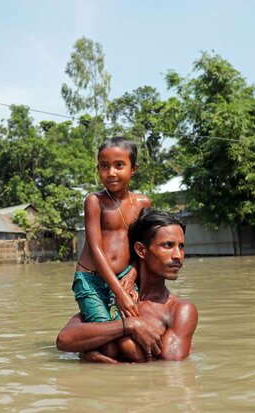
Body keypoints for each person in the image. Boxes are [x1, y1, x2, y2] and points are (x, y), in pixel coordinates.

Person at [58, 209, 198, 363]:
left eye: (181, 246)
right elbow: (65, 340)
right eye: (168, 245)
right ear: (141, 250)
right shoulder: (115, 296)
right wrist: (129, 325)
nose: (178, 255)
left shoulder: (180, 310)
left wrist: (94, 355)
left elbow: (168, 369)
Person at [73, 137, 152, 324]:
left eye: (119, 165)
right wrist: (119, 293)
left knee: (129, 325)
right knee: (105, 331)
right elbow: (95, 249)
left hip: (125, 277)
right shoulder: (94, 201)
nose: (111, 173)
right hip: (91, 279)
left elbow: (142, 248)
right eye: (104, 166)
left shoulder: (143, 203)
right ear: (98, 169)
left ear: (133, 169)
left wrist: (132, 274)